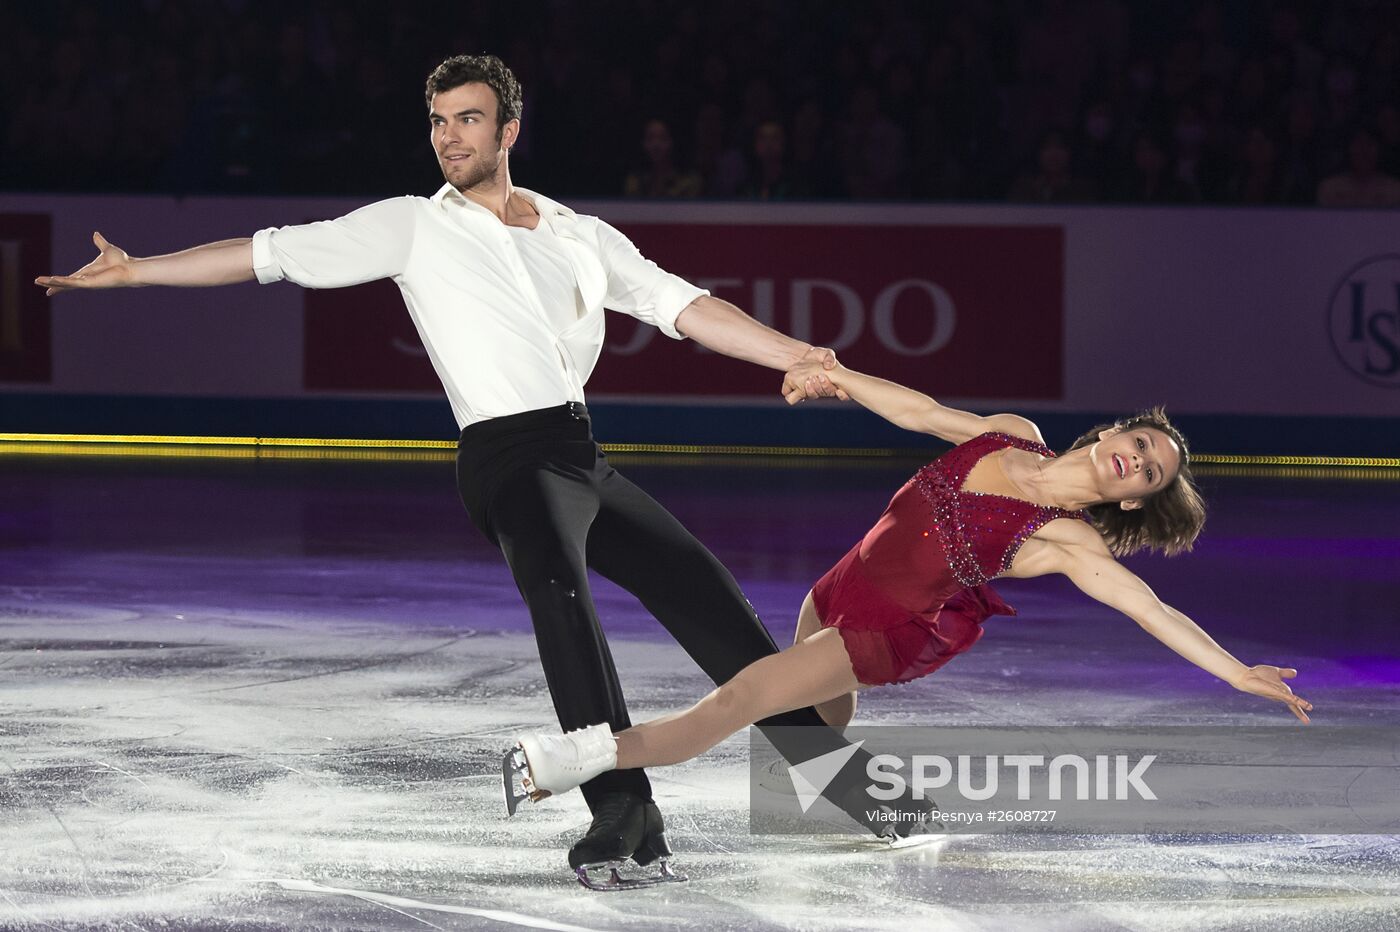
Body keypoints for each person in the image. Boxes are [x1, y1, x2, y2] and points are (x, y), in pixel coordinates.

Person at [33, 53, 864, 889]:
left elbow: (684, 306)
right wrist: (138, 270)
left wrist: (796, 355)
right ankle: (620, 803)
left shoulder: (579, 233)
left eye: (467, 119)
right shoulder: (411, 225)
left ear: (508, 129)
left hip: (581, 454)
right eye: (437, 121)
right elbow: (265, 254)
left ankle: (837, 782)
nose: (448, 137)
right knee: (562, 601)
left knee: (703, 591)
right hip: (506, 458)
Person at [507, 357, 1314, 810]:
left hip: (882, 630)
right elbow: (923, 411)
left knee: (740, 701)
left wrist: (1237, 673)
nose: (1136, 458)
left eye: (1149, 471)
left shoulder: (1064, 539)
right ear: (1113, 433)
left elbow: (1150, 607)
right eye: (1140, 442)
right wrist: (835, 376)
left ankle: (574, 758)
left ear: (1134, 495)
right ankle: (874, 802)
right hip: (835, 588)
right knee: (805, 731)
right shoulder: (1015, 435)